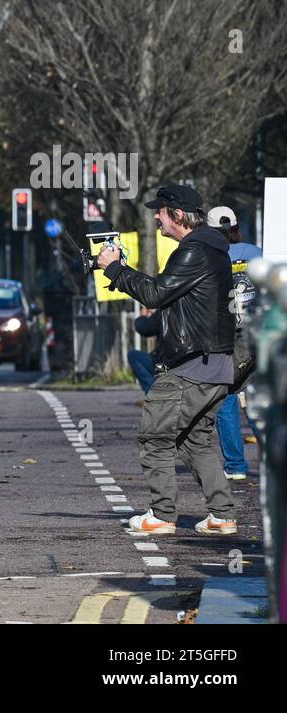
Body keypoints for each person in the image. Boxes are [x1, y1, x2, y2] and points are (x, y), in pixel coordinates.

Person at [96, 184, 236, 536]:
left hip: (190, 365)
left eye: (159, 210)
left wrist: (114, 269)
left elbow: (156, 293)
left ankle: (161, 515)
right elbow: (172, 299)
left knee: (155, 436)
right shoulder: (212, 248)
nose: (156, 217)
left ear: (176, 215)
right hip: (215, 364)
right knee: (196, 441)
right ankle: (221, 515)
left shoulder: (194, 251)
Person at [208, 205, 260, 481]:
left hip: (229, 336)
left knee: (226, 397)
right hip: (259, 333)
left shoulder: (210, 257)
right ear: (237, 227)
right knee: (259, 397)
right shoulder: (256, 253)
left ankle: (236, 465)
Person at [126, 307, 160, 393]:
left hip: (164, 366)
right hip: (188, 366)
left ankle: (154, 394)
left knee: (133, 356)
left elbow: (144, 328)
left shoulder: (164, 312)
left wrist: (143, 315)